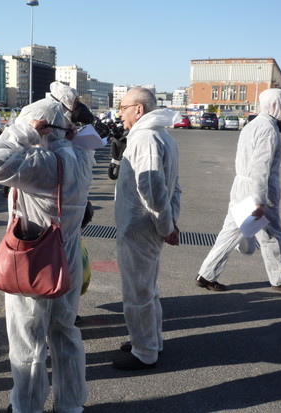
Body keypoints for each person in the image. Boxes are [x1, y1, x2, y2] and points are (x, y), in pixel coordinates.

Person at [0, 82, 94, 413]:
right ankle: (71, 403)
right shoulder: (80, 157)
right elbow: (78, 135)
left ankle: (26, 406)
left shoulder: (41, 164)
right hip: (66, 256)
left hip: (36, 259)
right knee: (65, 334)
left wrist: (19, 133)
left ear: (40, 129)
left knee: (28, 342)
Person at [196, 88, 281, 293]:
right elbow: (261, 166)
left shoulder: (253, 124)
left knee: (229, 233)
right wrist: (260, 201)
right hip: (258, 190)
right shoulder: (268, 130)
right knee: (272, 235)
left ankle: (206, 274)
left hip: (241, 187)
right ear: (276, 105)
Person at [112, 87, 181, 371]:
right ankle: (150, 339)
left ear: (139, 110)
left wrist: (166, 226)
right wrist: (170, 221)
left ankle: (144, 351)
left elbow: (153, 188)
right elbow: (174, 186)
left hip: (140, 226)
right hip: (150, 224)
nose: (120, 113)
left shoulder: (146, 138)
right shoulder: (162, 135)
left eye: (123, 107)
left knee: (138, 292)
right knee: (148, 287)